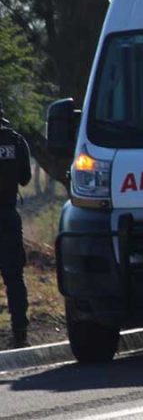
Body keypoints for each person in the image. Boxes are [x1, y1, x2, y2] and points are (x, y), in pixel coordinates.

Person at [0, 100, 31, 348]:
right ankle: (20, 331)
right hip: (8, 216)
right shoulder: (16, 141)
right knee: (14, 276)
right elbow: (25, 178)